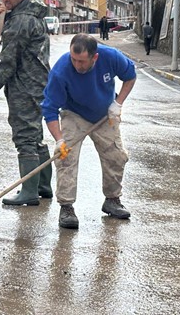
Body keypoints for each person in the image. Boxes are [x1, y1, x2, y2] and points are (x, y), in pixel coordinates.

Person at [41, 33, 137, 229]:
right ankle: (66, 207)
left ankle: (112, 200)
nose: (77, 65)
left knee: (116, 156)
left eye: (82, 61)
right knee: (65, 157)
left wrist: (118, 104)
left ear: (95, 57)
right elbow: (49, 109)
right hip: (74, 113)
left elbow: (130, 75)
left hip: (104, 114)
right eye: (74, 59)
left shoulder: (111, 57)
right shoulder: (61, 71)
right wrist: (59, 140)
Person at [0, 0, 52, 206]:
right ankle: (43, 186)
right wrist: (8, 15)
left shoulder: (21, 21)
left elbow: (8, 61)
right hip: (38, 82)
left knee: (25, 137)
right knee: (35, 135)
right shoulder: (29, 13)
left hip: (25, 85)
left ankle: (29, 192)